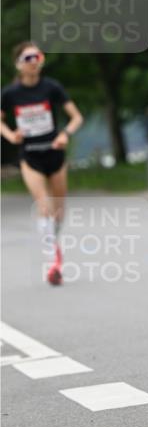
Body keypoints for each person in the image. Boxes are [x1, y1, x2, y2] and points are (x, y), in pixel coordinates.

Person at [1, 43, 83, 285]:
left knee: (58, 211)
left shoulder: (52, 87)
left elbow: (77, 117)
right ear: (18, 63)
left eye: (38, 56)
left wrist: (65, 134)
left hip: (54, 155)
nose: (34, 61)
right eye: (28, 57)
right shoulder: (10, 94)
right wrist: (10, 135)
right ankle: (52, 263)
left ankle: (53, 243)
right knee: (44, 206)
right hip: (30, 156)